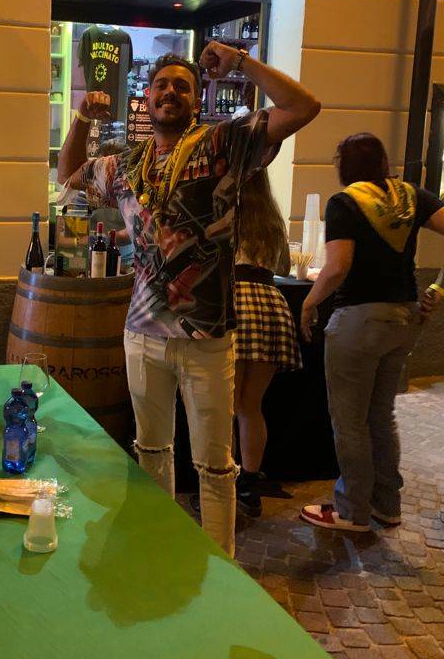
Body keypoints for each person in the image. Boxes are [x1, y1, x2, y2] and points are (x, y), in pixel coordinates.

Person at [57, 43, 320, 556]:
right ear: (147, 99)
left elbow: (303, 107)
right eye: (162, 85)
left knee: (215, 462)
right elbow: (69, 176)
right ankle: (158, 551)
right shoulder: (129, 164)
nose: (170, 92)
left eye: (183, 85)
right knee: (151, 450)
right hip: (141, 333)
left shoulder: (223, 145)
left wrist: (242, 63)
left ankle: (220, 562)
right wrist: (81, 119)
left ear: (197, 100)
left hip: (206, 337)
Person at [299, 133, 444, 532]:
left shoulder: (345, 203)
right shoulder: (411, 195)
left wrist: (310, 304)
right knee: (381, 415)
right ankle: (386, 504)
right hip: (402, 319)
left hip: (358, 321)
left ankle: (351, 511)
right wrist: (437, 288)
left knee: (349, 421)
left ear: (343, 164)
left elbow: (337, 267)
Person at [234, 168, 301, 517]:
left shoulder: (225, 211)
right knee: (251, 405)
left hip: (233, 303)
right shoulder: (272, 220)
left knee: (223, 407)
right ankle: (248, 483)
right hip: (270, 304)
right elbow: (286, 266)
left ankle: (220, 484)